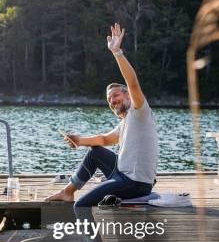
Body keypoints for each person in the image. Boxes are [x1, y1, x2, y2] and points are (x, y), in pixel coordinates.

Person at [46, 23, 158, 217]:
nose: (112, 101)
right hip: (123, 176)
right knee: (95, 152)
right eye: (109, 99)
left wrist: (117, 52)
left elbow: (132, 83)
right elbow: (105, 139)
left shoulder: (140, 111)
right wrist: (78, 140)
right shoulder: (127, 122)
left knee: (81, 206)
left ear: (128, 96)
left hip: (135, 184)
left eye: (116, 95)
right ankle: (67, 191)